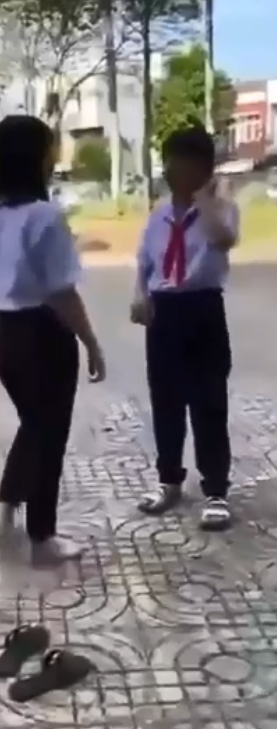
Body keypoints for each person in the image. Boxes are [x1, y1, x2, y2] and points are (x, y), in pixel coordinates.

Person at [0, 115, 106, 566]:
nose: (55, 155)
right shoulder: (46, 216)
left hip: (5, 333)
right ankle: (43, 537)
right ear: (35, 156)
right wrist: (91, 342)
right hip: (43, 334)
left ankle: (8, 503)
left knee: (33, 423)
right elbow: (61, 292)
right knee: (49, 434)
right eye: (51, 147)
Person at [130, 125, 239, 531]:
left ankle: (216, 491)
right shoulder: (157, 215)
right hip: (164, 313)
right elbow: (145, 263)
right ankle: (169, 480)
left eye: (190, 164)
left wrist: (204, 199)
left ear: (206, 169)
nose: (178, 171)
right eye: (174, 162)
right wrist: (140, 295)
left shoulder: (221, 209)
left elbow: (224, 240)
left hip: (203, 309)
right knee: (166, 402)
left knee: (209, 402)